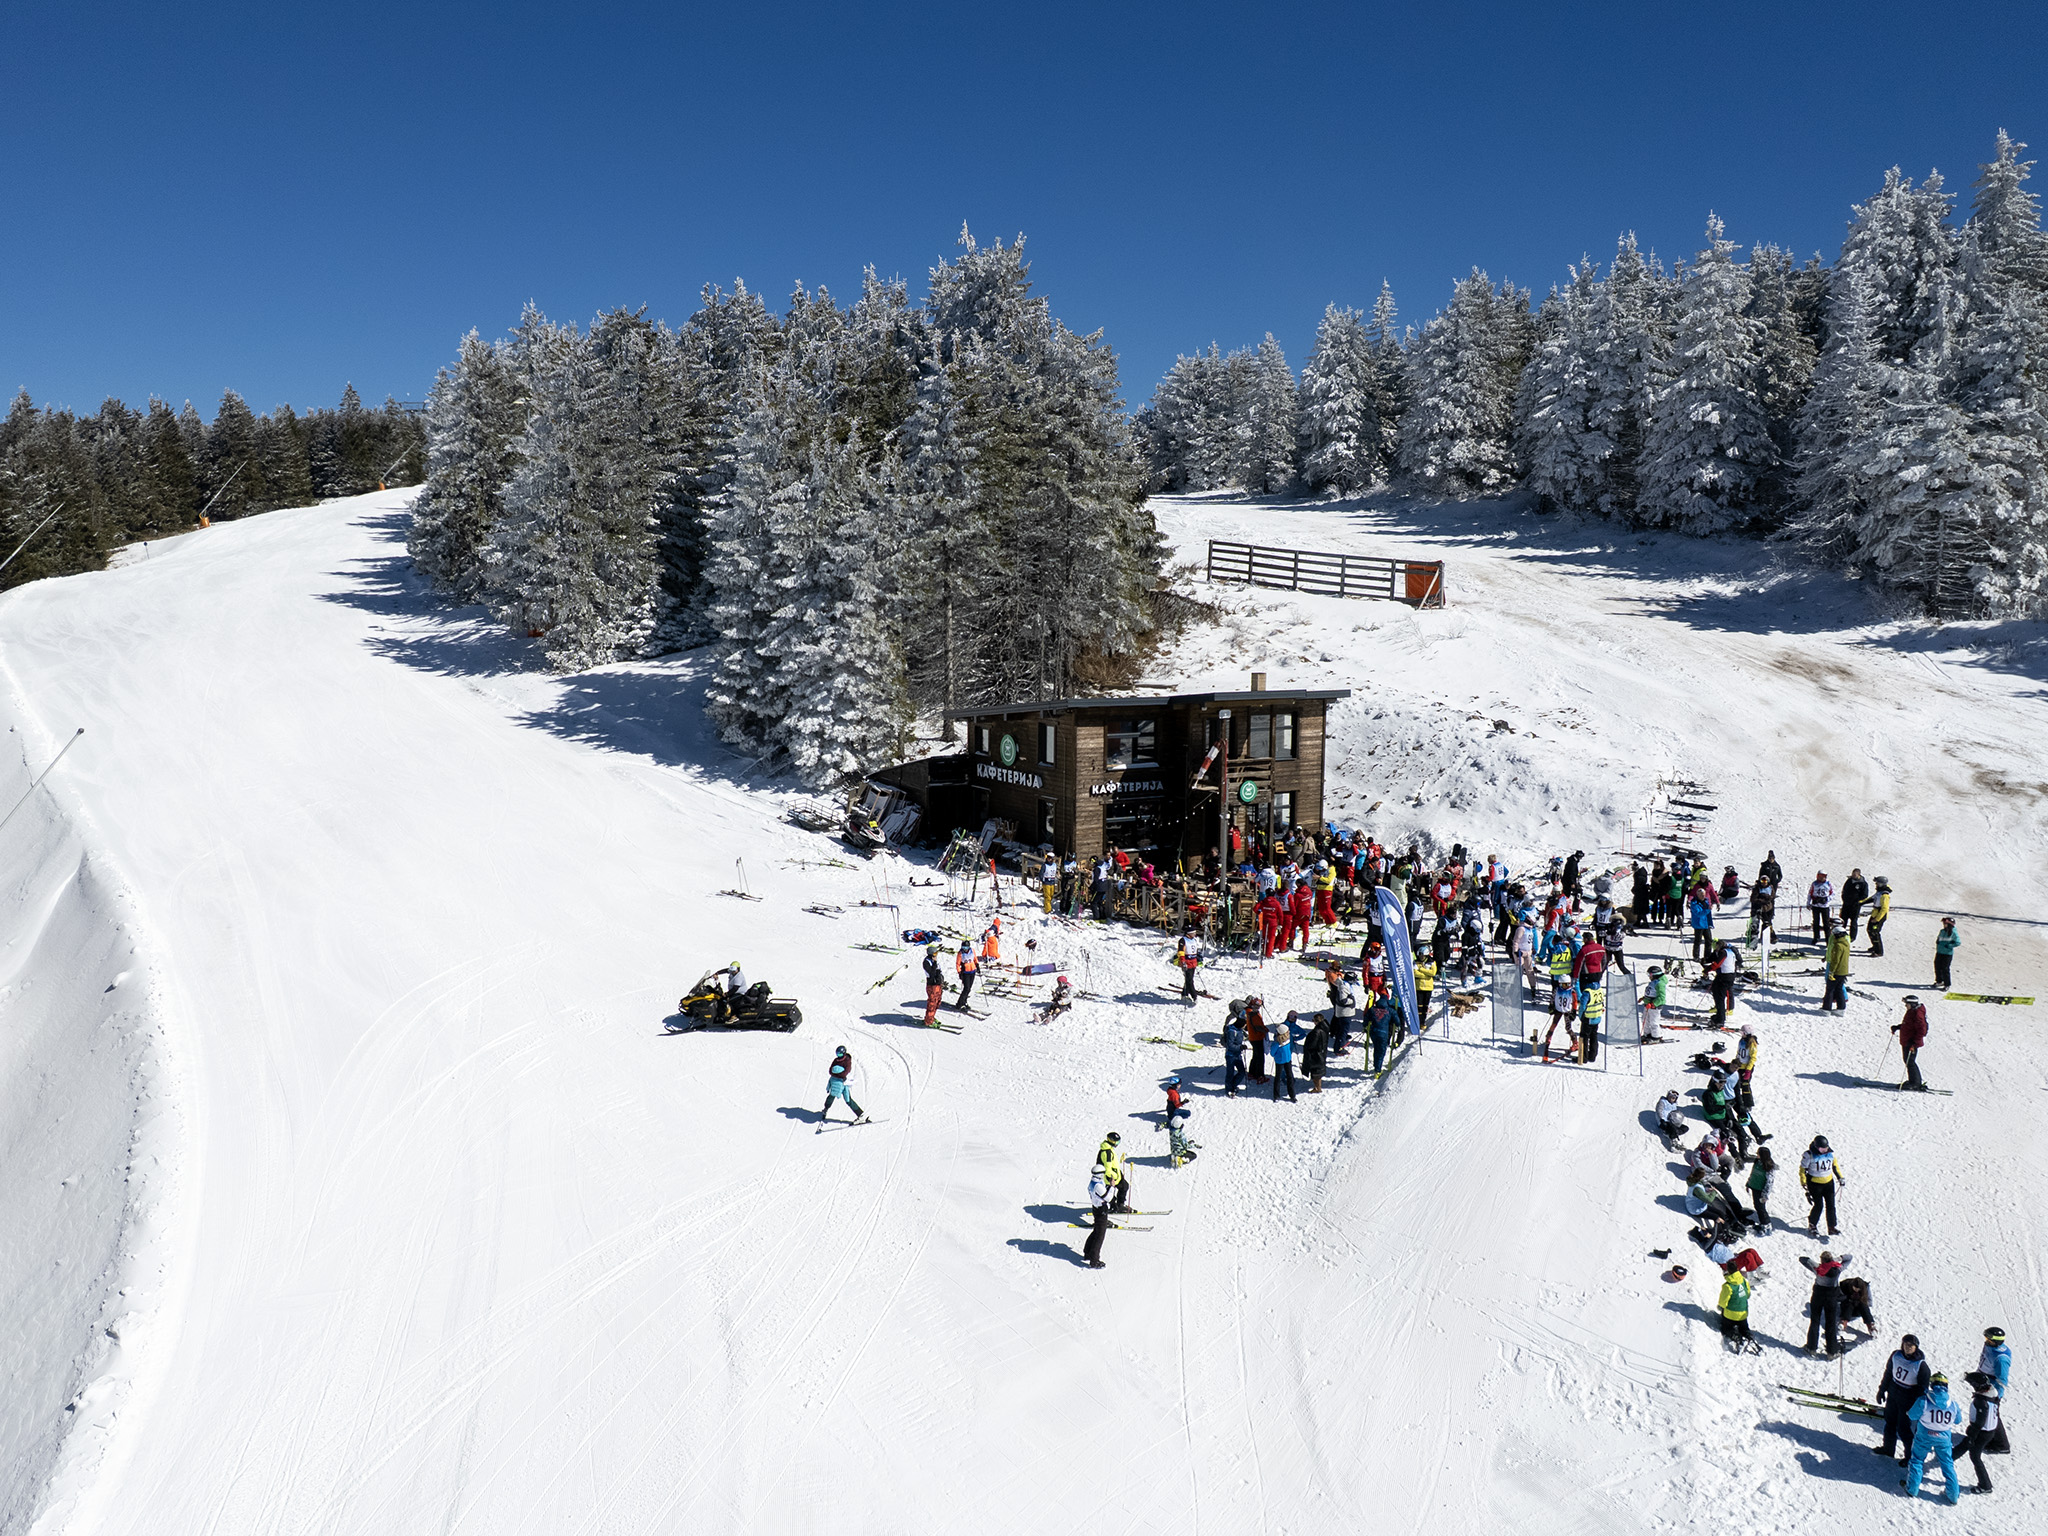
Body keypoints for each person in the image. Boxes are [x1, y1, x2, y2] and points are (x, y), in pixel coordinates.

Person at [1904, 1372, 1965, 1504]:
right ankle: (1953, 1495)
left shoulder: (1924, 1400)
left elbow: (1912, 1416)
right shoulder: (1953, 1404)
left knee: (1917, 1460)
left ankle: (1912, 1488)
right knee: (1947, 1464)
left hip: (1924, 1435)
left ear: (1932, 1385)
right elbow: (1958, 1420)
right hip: (1943, 1437)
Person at [1878, 1335, 1931, 1460]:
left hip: (1907, 1400)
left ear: (1916, 1347)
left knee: (1903, 1429)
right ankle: (1888, 1449)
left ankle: (1910, 1457)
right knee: (1889, 1423)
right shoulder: (1896, 1356)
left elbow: (1922, 1389)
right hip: (1893, 1394)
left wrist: (1917, 1406)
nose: (1907, 1348)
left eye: (1910, 1346)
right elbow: (1888, 1373)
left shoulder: (1921, 1365)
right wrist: (1882, 1390)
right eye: (1905, 1344)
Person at [1799, 1249, 1852, 1355]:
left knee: (1815, 1321)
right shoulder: (1838, 1268)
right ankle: (1831, 1351)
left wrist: (1815, 1262)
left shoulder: (1818, 1269)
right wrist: (1838, 1258)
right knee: (1830, 1323)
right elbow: (1849, 1257)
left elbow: (1803, 1259)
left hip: (1818, 1295)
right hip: (1831, 1297)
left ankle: (1811, 1347)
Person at [1801, 1135, 1843, 1237]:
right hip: (1815, 1184)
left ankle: (1832, 1227)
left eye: (1825, 1148)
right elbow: (1802, 1170)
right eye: (1821, 1149)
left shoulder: (1830, 1155)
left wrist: (1840, 1177)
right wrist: (1804, 1183)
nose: (1824, 1151)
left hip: (1828, 1183)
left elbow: (1835, 1166)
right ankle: (1812, 1224)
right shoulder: (1809, 1155)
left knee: (1831, 1205)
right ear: (1816, 1147)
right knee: (1818, 1205)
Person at [821, 1044, 868, 1124]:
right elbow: (830, 1071)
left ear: (844, 1053)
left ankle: (860, 1115)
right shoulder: (836, 1060)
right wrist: (837, 1074)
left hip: (844, 1083)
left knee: (848, 1099)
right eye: (837, 1054)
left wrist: (835, 1074)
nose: (838, 1056)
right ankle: (825, 1109)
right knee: (831, 1095)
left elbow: (845, 1073)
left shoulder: (847, 1061)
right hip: (836, 1082)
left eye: (840, 1054)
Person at [1893, 996, 1929, 1091]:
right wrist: (1898, 1027)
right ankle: (1912, 1081)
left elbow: (1922, 1030)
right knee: (1908, 1061)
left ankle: (1915, 1083)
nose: (1905, 1005)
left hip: (1911, 1042)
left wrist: (1914, 1042)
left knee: (1910, 1062)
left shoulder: (1917, 1014)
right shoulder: (1912, 1012)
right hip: (1907, 1040)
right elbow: (1909, 1025)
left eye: (1907, 1004)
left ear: (1912, 1004)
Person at [1083, 1168, 1112, 1270]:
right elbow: (1109, 1198)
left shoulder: (1094, 1182)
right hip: (1101, 1211)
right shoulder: (1098, 1185)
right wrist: (1112, 1187)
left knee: (1096, 1231)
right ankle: (1094, 1260)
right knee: (1100, 1235)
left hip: (1096, 1208)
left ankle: (1087, 1252)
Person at [1718, 1268, 1754, 1348]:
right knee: (1744, 1328)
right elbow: (1747, 1295)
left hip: (1730, 1315)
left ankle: (1737, 1338)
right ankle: (1749, 1337)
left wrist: (1720, 1307)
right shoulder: (1744, 1281)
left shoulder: (1727, 1286)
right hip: (1743, 1314)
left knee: (1726, 1329)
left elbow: (1723, 1302)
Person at [1095, 1131, 1130, 1213]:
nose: (1117, 1144)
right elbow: (1107, 1168)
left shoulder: (1109, 1149)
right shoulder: (1107, 1152)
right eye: (1116, 1142)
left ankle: (1118, 1205)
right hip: (1110, 1177)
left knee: (1124, 1186)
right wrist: (1112, 1177)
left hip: (1115, 1175)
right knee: (1112, 1191)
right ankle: (1115, 1206)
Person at [1822, 923, 1852, 1011]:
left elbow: (1836, 961)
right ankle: (1841, 1008)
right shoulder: (1845, 943)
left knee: (1830, 990)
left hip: (1837, 971)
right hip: (1844, 970)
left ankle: (1826, 1009)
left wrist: (1831, 972)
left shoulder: (1838, 946)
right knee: (1839, 989)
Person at [1746, 1145, 1777, 1233]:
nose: (1756, 1155)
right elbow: (1753, 1173)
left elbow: (1769, 1182)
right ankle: (1763, 1223)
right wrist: (1748, 1183)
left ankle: (1766, 1223)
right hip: (1754, 1187)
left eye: (1758, 1153)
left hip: (1761, 1190)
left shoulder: (1768, 1166)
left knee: (1760, 1208)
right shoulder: (1757, 1162)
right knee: (1757, 1206)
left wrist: (1765, 1194)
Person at [1270, 1012, 1299, 1103]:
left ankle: (1292, 1095)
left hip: (1287, 1060)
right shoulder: (1276, 1043)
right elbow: (1272, 1053)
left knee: (1290, 1077)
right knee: (1278, 1078)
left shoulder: (1287, 1040)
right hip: (1280, 1061)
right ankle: (1277, 1096)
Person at [1365, 991, 1396, 1074]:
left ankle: (1376, 1066)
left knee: (1376, 1049)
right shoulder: (1390, 1010)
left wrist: (1365, 1026)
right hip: (1383, 1033)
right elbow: (1397, 1021)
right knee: (1381, 1051)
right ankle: (1377, 1070)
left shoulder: (1372, 1009)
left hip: (1374, 1032)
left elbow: (1366, 1018)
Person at [1710, 940, 1740, 1026]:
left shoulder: (1723, 952)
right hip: (1729, 974)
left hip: (1724, 976)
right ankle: (1720, 1015)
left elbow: (1717, 963)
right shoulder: (1731, 951)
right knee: (1717, 992)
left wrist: (1707, 970)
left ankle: (1720, 1019)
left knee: (1720, 997)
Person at [1978, 1326, 2012, 1397]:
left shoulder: (2001, 1359)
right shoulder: (1990, 1346)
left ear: (1996, 1342)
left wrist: (1995, 1397)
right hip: (1982, 1380)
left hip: (1990, 1387)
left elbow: (2001, 1380)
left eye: (1989, 1340)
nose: (1986, 1341)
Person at [1302, 1011, 1330, 1093]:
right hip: (1322, 1053)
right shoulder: (1325, 1028)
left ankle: (1317, 1088)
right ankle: (1318, 1087)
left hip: (1316, 1055)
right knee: (1319, 1071)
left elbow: (1312, 1045)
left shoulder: (1316, 1032)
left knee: (1315, 1073)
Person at [1222, 1007, 1247, 1097]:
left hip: (1237, 1054)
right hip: (1231, 1055)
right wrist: (1240, 1047)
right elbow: (1230, 1045)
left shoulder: (1240, 1030)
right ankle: (1229, 1089)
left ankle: (1233, 1085)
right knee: (1230, 1073)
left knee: (1242, 1072)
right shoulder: (1232, 1031)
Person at [1840, 868, 1870, 939]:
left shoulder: (1863, 883)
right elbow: (1844, 890)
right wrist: (1844, 898)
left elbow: (1865, 895)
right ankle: (1841, 934)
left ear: (1858, 874)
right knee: (1843, 920)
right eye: (1852, 874)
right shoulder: (1849, 881)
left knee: (1853, 921)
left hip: (1855, 906)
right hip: (1846, 904)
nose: (1853, 876)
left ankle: (1852, 937)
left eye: (1854, 875)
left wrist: (1857, 902)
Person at [921, 943, 946, 1026]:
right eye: (935, 954)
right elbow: (931, 973)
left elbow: (939, 971)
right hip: (932, 985)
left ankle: (931, 1017)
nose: (936, 955)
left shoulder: (934, 961)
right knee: (932, 1003)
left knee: (938, 1001)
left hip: (938, 984)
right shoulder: (926, 962)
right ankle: (928, 1021)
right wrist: (935, 964)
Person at [1867, 876, 1891, 956]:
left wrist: (1877, 919)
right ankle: (1875, 946)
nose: (1876, 884)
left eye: (1877, 883)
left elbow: (1884, 909)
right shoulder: (1879, 892)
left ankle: (1879, 951)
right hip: (1875, 914)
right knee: (1870, 930)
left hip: (1880, 916)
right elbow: (1872, 898)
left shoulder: (1884, 895)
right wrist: (1860, 902)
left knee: (1875, 932)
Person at [1642, 965, 1668, 1042]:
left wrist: (1653, 1004)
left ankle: (1656, 1037)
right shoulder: (1653, 982)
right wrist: (1644, 998)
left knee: (1654, 1021)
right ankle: (1647, 1034)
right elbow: (1651, 993)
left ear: (1655, 975)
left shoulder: (1660, 984)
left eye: (1649, 975)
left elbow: (1661, 997)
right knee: (1645, 1020)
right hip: (1648, 1005)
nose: (1649, 977)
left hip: (1654, 1007)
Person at [1173, 936, 1201, 1003]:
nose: (1195, 934)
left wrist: (1198, 959)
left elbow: (1195, 950)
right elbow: (1181, 952)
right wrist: (1183, 961)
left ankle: (1184, 994)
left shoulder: (1194, 940)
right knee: (1190, 980)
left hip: (1193, 962)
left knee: (1188, 979)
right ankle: (1194, 996)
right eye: (1193, 932)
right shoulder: (1183, 940)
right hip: (1186, 963)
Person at [1246, 997, 1268, 1083]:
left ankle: (1252, 1072)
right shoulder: (1254, 1014)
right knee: (1260, 1058)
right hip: (1257, 1037)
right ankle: (1260, 1076)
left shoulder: (1249, 1012)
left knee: (1255, 1056)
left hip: (1253, 1037)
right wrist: (1265, 1030)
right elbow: (1257, 1027)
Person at [1935, 917, 1961, 989]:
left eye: (1945, 924)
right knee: (1937, 966)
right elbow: (1939, 938)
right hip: (1940, 952)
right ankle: (1939, 981)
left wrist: (1949, 945)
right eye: (1944, 923)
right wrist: (1938, 941)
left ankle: (1947, 984)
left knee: (1945, 968)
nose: (1944, 925)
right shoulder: (1942, 931)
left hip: (1947, 953)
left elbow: (1958, 942)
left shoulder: (1953, 932)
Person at [1807, 872, 1834, 942]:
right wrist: (1808, 903)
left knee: (1826, 923)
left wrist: (1827, 899)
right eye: (1819, 876)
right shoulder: (1814, 884)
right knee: (1816, 922)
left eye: (1822, 876)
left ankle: (1828, 938)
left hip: (1825, 906)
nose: (1820, 878)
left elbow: (1833, 893)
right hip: (1816, 905)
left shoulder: (1828, 884)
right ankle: (1816, 937)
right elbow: (1810, 893)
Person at [955, 938, 979, 1010]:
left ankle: (964, 1001)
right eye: (963, 947)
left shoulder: (972, 951)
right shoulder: (960, 953)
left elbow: (975, 959)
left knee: (969, 989)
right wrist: (959, 972)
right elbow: (957, 964)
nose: (965, 949)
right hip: (965, 972)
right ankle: (959, 1003)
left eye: (966, 947)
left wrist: (977, 965)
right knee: (966, 988)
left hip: (972, 971)